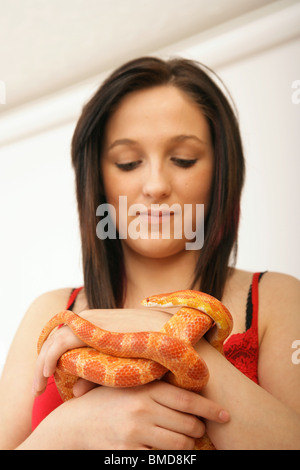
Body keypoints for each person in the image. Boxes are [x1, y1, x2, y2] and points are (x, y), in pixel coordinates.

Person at [0, 57, 299, 450]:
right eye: (128, 162)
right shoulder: (49, 313)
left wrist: (162, 334)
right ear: (98, 178)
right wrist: (69, 430)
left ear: (221, 171)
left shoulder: (277, 300)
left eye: (183, 159)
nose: (156, 185)